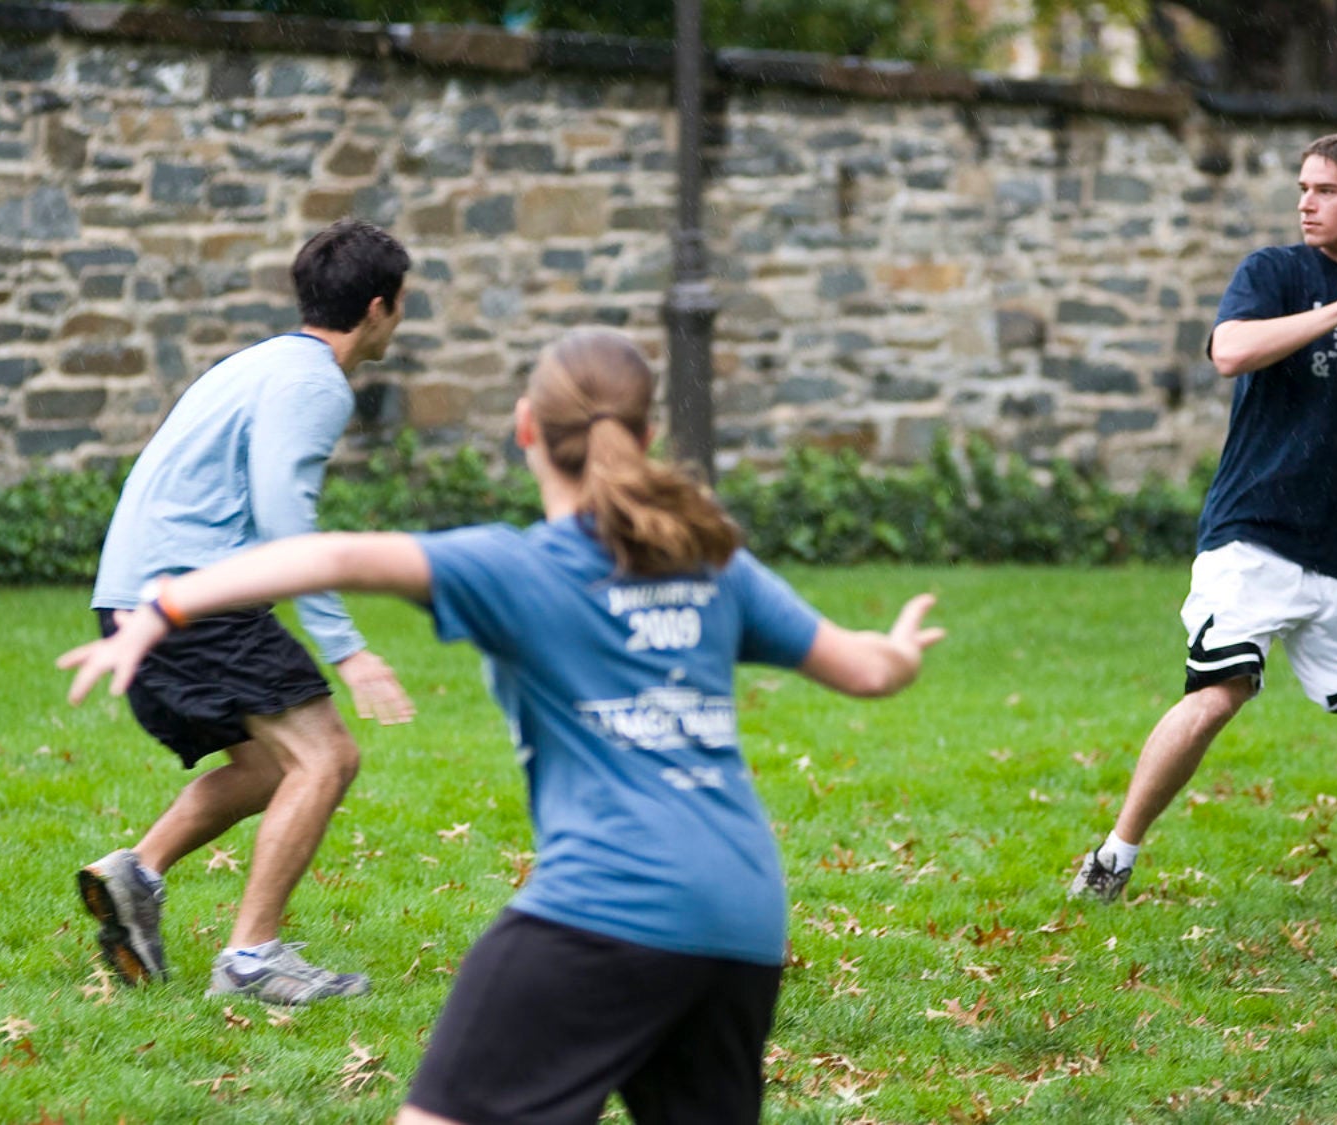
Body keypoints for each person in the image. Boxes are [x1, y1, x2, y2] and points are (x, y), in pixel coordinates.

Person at [61, 327, 944, 1123]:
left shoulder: (516, 566)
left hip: (606, 909)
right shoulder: (712, 559)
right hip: (743, 921)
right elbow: (867, 669)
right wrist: (902, 647)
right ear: (644, 438)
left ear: (527, 428)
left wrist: (163, 603)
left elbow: (328, 553)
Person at [1068, 132, 1337, 910]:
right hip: (1255, 528)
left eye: (1325, 190)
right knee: (1218, 691)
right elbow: (1229, 352)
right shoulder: (1275, 272)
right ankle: (1112, 857)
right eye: (1303, 188)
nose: (1305, 202)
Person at [75, 218, 417, 1005]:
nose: (400, 317)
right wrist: (348, 648)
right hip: (191, 602)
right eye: (402, 304)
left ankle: (135, 875)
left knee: (269, 765)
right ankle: (253, 956)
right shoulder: (312, 383)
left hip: (138, 599)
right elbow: (285, 525)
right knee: (328, 757)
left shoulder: (262, 363)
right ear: (376, 308)